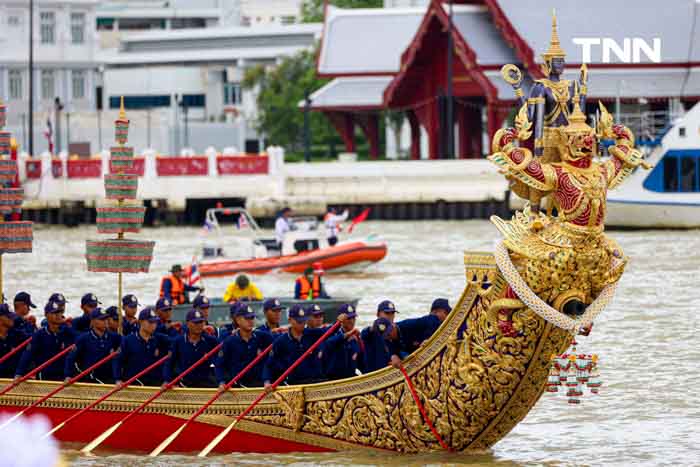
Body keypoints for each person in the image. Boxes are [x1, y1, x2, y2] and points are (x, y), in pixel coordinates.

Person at [262, 305, 348, 388]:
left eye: (303, 321)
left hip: (317, 382)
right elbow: (269, 364)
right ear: (290, 320)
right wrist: (267, 382)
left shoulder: (311, 333)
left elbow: (328, 331)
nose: (302, 324)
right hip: (296, 384)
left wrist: (338, 322)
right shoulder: (281, 341)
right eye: (299, 321)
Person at [15, 301, 77, 381]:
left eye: (60, 312)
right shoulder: (39, 335)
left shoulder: (68, 332)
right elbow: (27, 354)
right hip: (45, 376)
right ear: (46, 315)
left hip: (64, 377)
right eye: (54, 313)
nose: (58, 315)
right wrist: (19, 373)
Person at [216, 304, 274, 388]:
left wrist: (267, 380)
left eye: (252, 318)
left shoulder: (263, 337)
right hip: (238, 386)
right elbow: (219, 365)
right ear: (238, 320)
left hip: (261, 385)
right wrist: (221, 382)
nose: (250, 321)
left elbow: (274, 356)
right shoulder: (229, 341)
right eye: (246, 318)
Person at [113, 307, 171, 387]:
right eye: (150, 322)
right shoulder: (128, 340)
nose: (153, 325)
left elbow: (178, 347)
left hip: (156, 386)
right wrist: (118, 379)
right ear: (140, 322)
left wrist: (167, 380)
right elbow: (118, 361)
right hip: (133, 385)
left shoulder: (161, 339)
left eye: (155, 322)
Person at [64, 308, 121, 384]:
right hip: (91, 377)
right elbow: (70, 358)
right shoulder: (83, 338)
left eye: (106, 319)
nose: (105, 322)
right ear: (93, 321)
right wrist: (68, 376)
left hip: (109, 377)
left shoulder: (114, 337)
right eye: (102, 319)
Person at [163, 309, 218, 388]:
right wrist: (167, 380)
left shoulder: (211, 340)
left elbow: (222, 361)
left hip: (206, 383)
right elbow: (169, 364)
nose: (199, 325)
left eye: (201, 322)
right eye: (195, 323)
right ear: (188, 324)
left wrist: (222, 381)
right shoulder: (178, 341)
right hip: (185, 383)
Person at [323, 304, 363, 380]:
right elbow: (329, 343)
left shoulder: (356, 338)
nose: (352, 321)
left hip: (350, 378)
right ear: (341, 320)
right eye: (348, 318)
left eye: (353, 318)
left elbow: (362, 364)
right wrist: (347, 335)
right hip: (332, 380)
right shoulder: (331, 334)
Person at [0, 304, 28, 378]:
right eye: (9, 316)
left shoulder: (17, 335)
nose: (12, 319)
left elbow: (34, 338)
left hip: (15, 381)